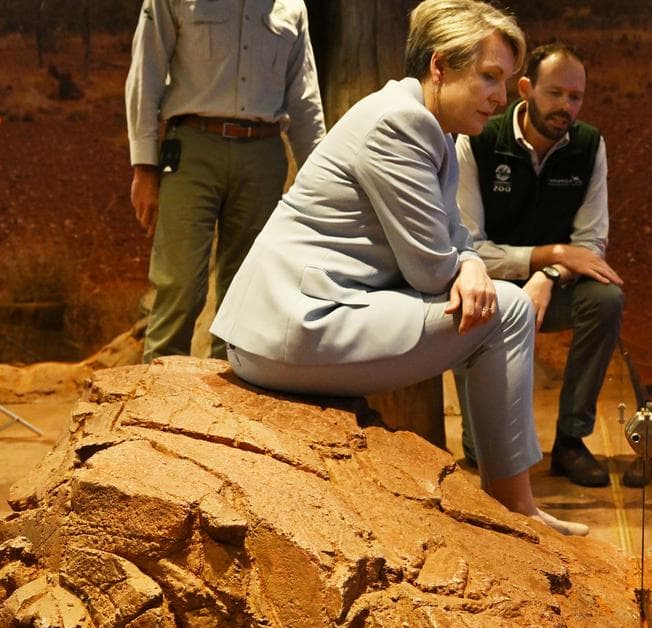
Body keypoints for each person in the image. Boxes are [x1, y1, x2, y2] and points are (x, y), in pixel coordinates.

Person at [210, 0, 587, 536]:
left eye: (506, 81)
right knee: (506, 311)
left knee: (496, 302)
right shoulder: (399, 124)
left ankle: (512, 503)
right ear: (439, 67)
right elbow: (432, 268)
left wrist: (469, 262)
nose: (502, 97)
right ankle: (513, 507)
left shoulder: (439, 131)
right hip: (299, 327)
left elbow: (454, 238)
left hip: (309, 321)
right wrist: (467, 265)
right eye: (489, 77)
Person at [455, 43, 640, 489]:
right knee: (468, 300)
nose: (566, 107)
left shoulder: (589, 145)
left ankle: (571, 441)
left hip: (554, 288)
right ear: (525, 89)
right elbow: (470, 247)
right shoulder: (478, 139)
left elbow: (591, 242)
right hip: (490, 285)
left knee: (605, 298)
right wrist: (548, 256)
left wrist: (549, 275)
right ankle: (482, 445)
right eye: (555, 93)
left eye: (575, 97)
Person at [125, 0, 326, 363]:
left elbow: (304, 99)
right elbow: (147, 72)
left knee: (245, 291)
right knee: (180, 285)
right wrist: (144, 166)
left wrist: (324, 181)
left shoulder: (291, 5)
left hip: (262, 155)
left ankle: (229, 403)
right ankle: (154, 401)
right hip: (192, 148)